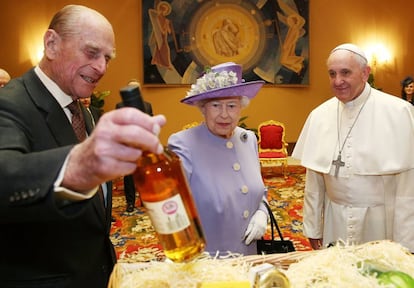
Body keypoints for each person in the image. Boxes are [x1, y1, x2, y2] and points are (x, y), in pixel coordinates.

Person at [0, 5, 166, 288]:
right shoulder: (10, 103)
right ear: (51, 44)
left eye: (107, 58)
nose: (101, 67)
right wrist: (80, 164)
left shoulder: (83, 112)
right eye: (91, 53)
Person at [292, 43, 414, 252]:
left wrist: (406, 241)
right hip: (335, 221)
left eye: (345, 72)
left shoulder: (399, 112)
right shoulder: (319, 115)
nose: (338, 81)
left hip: (381, 223)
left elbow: (407, 188)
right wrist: (312, 228)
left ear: (365, 73)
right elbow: (314, 181)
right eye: (332, 74)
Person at [168, 62, 268, 256]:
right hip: (208, 263)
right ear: (203, 108)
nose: (224, 114)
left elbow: (259, 190)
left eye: (231, 105)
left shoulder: (248, 140)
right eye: (216, 105)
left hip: (249, 258)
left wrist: (262, 213)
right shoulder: (183, 144)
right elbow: (172, 207)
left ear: (241, 108)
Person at [115, 79, 153, 212]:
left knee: (145, 173)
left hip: (144, 146)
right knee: (129, 175)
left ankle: (145, 199)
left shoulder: (147, 106)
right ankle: (130, 202)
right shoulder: (120, 106)